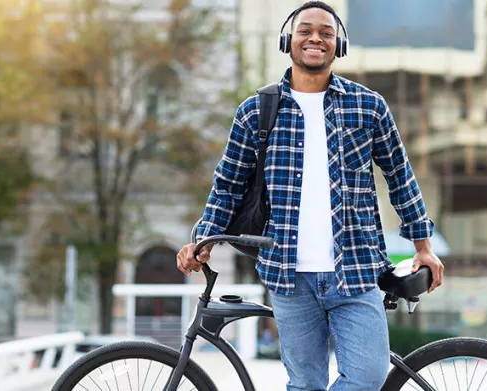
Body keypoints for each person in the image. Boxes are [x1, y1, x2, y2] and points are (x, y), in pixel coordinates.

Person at [177, 2, 445, 390]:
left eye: (326, 32)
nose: (315, 37)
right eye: (305, 30)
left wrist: (423, 245)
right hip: (289, 276)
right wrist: (203, 238)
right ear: (289, 40)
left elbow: (400, 176)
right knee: (304, 385)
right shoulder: (256, 111)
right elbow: (228, 184)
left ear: (339, 45)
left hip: (355, 270)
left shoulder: (367, 107)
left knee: (367, 381)